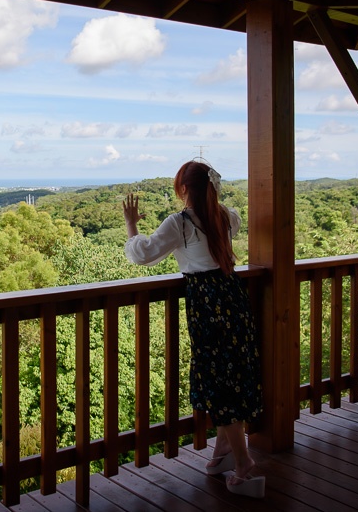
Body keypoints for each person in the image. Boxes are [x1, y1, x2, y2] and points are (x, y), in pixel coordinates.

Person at [122, 160, 264, 497]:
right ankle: (224, 450)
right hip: (233, 297)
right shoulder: (226, 215)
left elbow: (144, 255)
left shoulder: (180, 223)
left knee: (218, 383)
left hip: (206, 304)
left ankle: (244, 463)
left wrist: (131, 225)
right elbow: (235, 224)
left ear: (183, 189)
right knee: (236, 375)